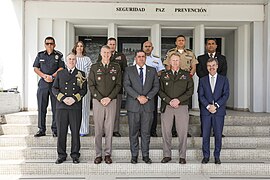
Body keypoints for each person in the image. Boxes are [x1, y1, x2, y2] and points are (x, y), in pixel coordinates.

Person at [123, 50, 159, 164]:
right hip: (133, 106)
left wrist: (147, 97)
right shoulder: (129, 70)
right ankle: (134, 155)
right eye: (139, 56)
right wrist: (138, 97)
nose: (141, 58)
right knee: (133, 132)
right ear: (135, 58)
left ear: (145, 58)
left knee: (146, 132)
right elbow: (126, 85)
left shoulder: (152, 70)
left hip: (148, 106)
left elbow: (156, 86)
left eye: (143, 56)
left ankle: (145, 155)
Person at [89, 45, 122, 164]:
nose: (106, 55)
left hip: (111, 101)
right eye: (104, 52)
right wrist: (100, 98)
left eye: (108, 53)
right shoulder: (94, 67)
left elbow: (118, 85)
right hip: (98, 102)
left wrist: (109, 97)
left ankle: (108, 154)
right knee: (98, 129)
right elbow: (91, 85)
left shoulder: (116, 67)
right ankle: (98, 154)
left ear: (111, 54)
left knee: (109, 129)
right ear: (100, 53)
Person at [52, 53, 87, 164]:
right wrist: (63, 98)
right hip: (62, 107)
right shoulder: (60, 73)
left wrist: (74, 99)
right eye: (70, 59)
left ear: (76, 61)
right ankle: (61, 155)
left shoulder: (81, 74)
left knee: (75, 132)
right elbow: (54, 88)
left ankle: (75, 155)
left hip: (75, 107)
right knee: (62, 132)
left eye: (73, 59)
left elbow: (83, 90)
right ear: (66, 61)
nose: (71, 61)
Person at [159, 53, 194, 164]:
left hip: (182, 106)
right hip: (167, 106)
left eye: (177, 60)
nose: (175, 62)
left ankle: (182, 156)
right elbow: (160, 90)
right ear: (169, 62)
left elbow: (190, 91)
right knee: (166, 132)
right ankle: (167, 155)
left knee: (182, 132)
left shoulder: (186, 75)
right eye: (173, 60)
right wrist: (169, 101)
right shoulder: (164, 75)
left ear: (180, 62)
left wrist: (178, 100)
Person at [163, 35, 198, 137]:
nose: (181, 42)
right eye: (179, 40)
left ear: (185, 42)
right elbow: (168, 66)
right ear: (176, 42)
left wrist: (189, 77)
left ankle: (184, 130)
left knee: (185, 107)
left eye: (183, 40)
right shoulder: (170, 53)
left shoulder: (190, 53)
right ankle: (173, 130)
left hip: (185, 82)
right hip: (173, 81)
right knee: (172, 106)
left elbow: (194, 67)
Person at [198, 58, 229, 164]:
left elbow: (226, 95)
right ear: (207, 67)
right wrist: (208, 106)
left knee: (218, 135)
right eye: (209, 66)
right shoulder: (202, 80)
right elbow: (200, 95)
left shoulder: (224, 79)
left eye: (213, 65)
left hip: (219, 112)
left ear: (217, 66)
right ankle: (206, 156)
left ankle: (217, 156)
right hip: (206, 112)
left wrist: (216, 105)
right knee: (205, 134)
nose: (211, 68)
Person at [33, 36, 64, 137]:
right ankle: (41, 129)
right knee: (41, 108)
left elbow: (61, 68)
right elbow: (36, 68)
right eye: (47, 43)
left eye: (51, 43)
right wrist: (44, 76)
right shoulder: (40, 55)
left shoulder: (58, 55)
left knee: (56, 108)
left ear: (54, 45)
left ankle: (55, 130)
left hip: (55, 84)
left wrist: (52, 76)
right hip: (43, 84)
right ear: (45, 45)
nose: (49, 45)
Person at [197, 38, 228, 137]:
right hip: (205, 88)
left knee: (218, 112)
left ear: (216, 46)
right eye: (208, 44)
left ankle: (217, 131)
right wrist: (208, 78)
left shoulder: (222, 58)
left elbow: (223, 72)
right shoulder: (201, 58)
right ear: (206, 46)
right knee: (204, 112)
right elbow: (199, 72)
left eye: (212, 44)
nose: (210, 45)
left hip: (218, 88)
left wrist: (214, 76)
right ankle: (204, 131)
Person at [97, 37, 127, 137]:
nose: (112, 46)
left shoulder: (121, 56)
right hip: (103, 90)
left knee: (116, 111)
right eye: (110, 44)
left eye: (114, 44)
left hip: (116, 89)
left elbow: (125, 71)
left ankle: (115, 130)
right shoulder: (100, 55)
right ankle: (104, 131)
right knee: (103, 113)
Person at [142, 41, 165, 137]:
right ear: (143, 48)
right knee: (141, 110)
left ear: (152, 48)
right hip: (141, 88)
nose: (147, 48)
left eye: (149, 46)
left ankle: (153, 130)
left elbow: (161, 71)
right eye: (146, 46)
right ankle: (141, 130)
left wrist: (152, 75)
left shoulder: (157, 59)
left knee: (153, 110)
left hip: (153, 88)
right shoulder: (139, 57)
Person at [71, 41, 92, 136]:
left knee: (84, 108)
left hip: (84, 85)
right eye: (78, 46)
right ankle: (73, 129)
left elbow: (89, 72)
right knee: (73, 108)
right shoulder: (71, 57)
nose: (79, 48)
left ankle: (83, 130)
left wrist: (82, 79)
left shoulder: (87, 59)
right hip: (72, 87)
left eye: (81, 46)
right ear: (75, 47)